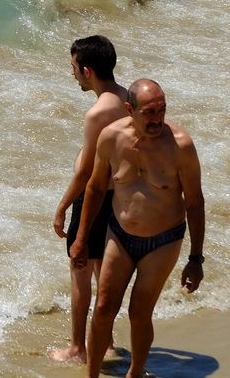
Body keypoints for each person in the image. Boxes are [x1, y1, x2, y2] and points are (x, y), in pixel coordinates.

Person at [71, 79, 205, 378]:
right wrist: (81, 239)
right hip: (119, 235)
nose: (157, 118)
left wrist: (195, 259)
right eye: (149, 112)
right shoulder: (111, 138)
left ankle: (135, 374)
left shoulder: (181, 145)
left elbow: (195, 203)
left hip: (164, 240)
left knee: (138, 312)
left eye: (162, 110)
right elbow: (94, 188)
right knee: (104, 308)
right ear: (129, 109)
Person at [50, 36, 128, 364]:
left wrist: (63, 206)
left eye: (73, 69)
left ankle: (78, 348)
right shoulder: (127, 97)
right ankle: (106, 340)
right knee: (100, 268)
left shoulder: (98, 112)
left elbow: (86, 172)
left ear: (87, 70)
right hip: (119, 197)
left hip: (95, 199)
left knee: (80, 268)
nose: (73, 75)